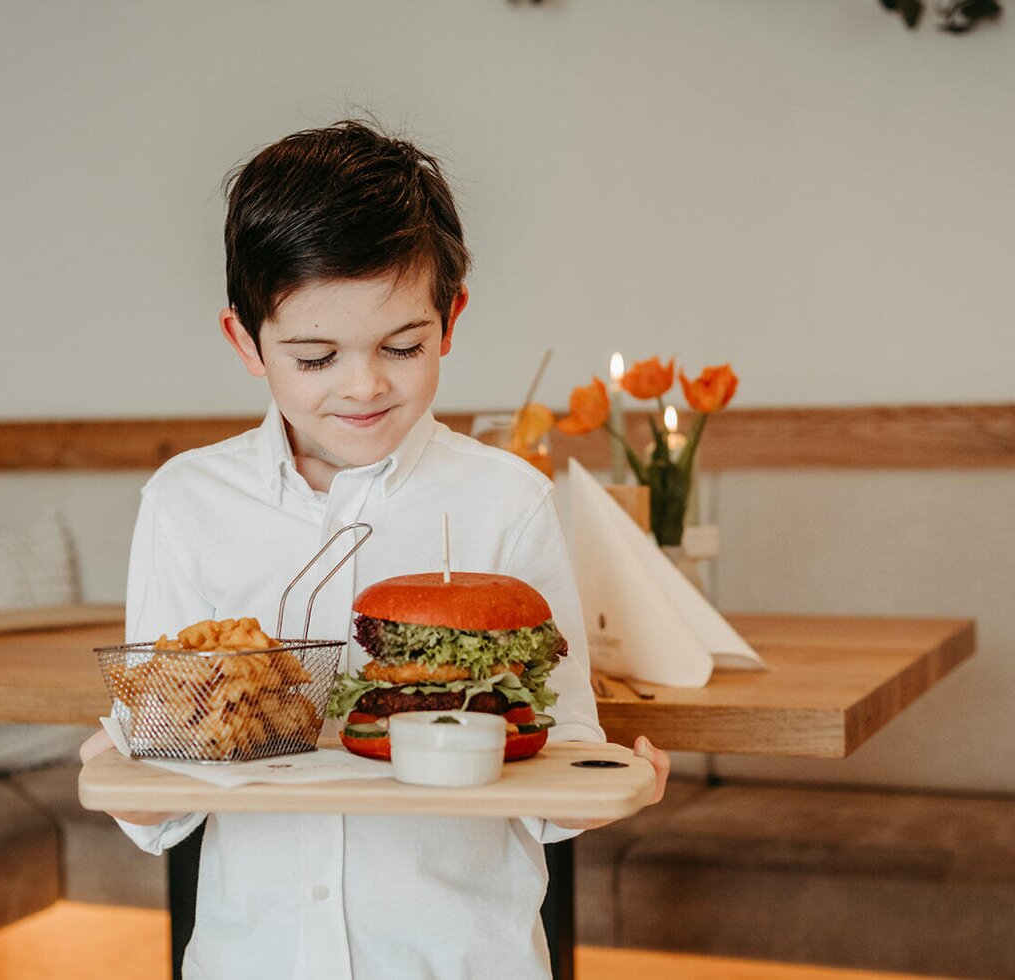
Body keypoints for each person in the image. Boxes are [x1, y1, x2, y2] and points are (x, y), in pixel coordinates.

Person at [80, 120, 669, 979]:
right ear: (245, 342)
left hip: (462, 958)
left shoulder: (506, 500)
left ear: (451, 319)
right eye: (315, 357)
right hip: (253, 959)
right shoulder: (185, 504)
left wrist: (610, 782)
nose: (365, 386)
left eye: (403, 347)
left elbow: (554, 753)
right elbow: (158, 814)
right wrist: (129, 751)